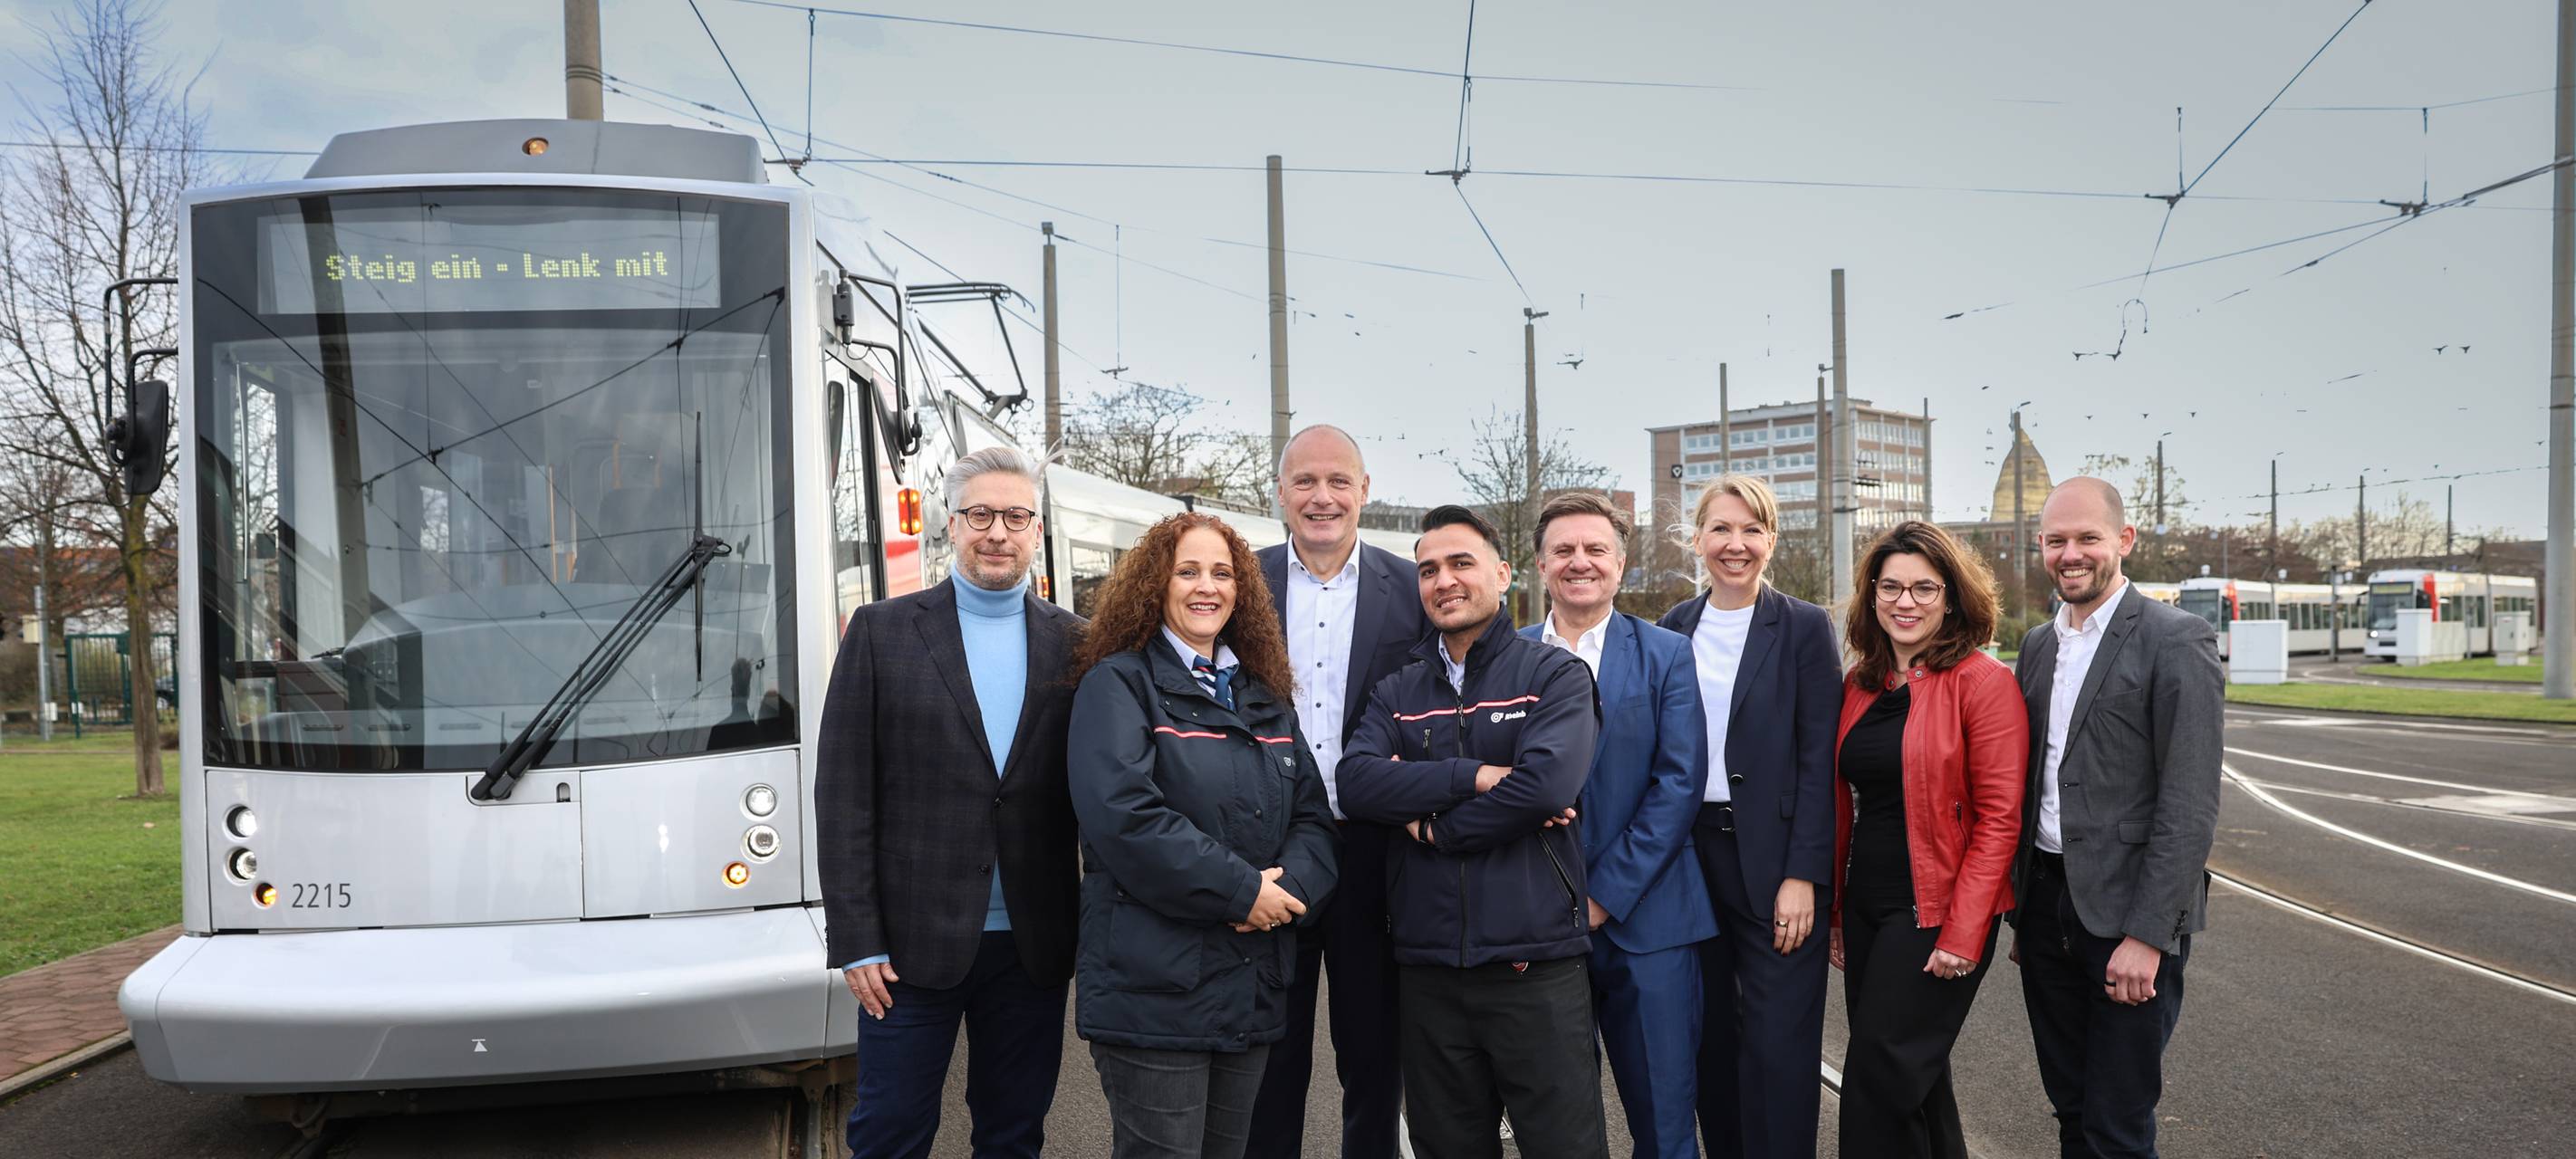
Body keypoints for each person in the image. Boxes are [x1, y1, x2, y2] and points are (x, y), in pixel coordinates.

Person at [815, 446, 1085, 1159]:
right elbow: (842, 797)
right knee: (890, 1134)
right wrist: (857, 939)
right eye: (980, 515)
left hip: (1032, 944)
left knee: (1014, 1134)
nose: (998, 532)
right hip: (906, 949)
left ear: (1037, 528)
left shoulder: (1077, 644)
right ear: (950, 523)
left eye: (1016, 516)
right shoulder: (880, 632)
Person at [1067, 512, 1341, 1159]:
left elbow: (1314, 821)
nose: (1205, 587)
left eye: (1221, 572)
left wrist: (1290, 891)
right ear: (1154, 586)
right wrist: (1242, 892)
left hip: (1247, 988)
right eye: (1186, 571)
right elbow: (1125, 818)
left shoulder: (1264, 696)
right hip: (1154, 995)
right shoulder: (1118, 685)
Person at [1340, 503, 1608, 1159]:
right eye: (1428, 569)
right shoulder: (1396, 690)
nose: (1444, 580)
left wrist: (1431, 829)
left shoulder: (1555, 675)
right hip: (1428, 972)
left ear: (1504, 573)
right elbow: (1358, 783)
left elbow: (1545, 787)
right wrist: (1478, 776)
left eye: (1461, 563)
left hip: (1535, 966)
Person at [2009, 479, 2222, 1159]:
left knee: (2116, 1126)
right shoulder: (2038, 646)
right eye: (2056, 541)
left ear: (2123, 541)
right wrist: (2028, 915)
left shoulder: (2176, 639)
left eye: (2087, 539)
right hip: (2046, 909)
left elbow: (2189, 806)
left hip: (2129, 920)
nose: (2071, 554)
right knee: (2071, 1110)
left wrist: (2149, 936)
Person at [1249, 425, 1428, 1159]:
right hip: (1269, 855)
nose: (1322, 497)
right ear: (1281, 494)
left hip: (1373, 855)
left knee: (1374, 1059)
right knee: (1267, 1058)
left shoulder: (1411, 589)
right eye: (1304, 482)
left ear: (1363, 492)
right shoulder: (1237, 581)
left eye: (1338, 481)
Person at [1522, 493, 1715, 1159]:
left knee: (1664, 1124)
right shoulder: (1507, 657)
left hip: (1648, 924)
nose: (1581, 562)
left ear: (1621, 563)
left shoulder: (1665, 654)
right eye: (1565, 550)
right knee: (1555, 1126)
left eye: (1595, 549)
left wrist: (1601, 897)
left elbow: (1679, 785)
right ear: (1540, 565)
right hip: (1535, 927)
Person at [1827, 521, 2028, 1158]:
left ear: (1951, 598)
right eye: (1891, 587)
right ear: (1872, 595)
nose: (1904, 602)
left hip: (1935, 911)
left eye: (1923, 588)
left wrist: (1965, 931)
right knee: (1916, 1080)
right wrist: (1836, 913)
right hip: (1867, 909)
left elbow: (2000, 818)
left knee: (1877, 1081)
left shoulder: (1983, 682)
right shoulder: (1861, 685)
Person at [1655, 474, 1840, 1159]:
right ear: (1697, 539)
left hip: (1772, 863)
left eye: (1751, 530)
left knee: (1779, 1045)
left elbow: (1820, 759)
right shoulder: (1673, 627)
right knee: (1710, 1038)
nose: (1736, 545)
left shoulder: (1802, 627)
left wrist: (1804, 875)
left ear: (1770, 539)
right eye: (1722, 530)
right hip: (1689, 858)